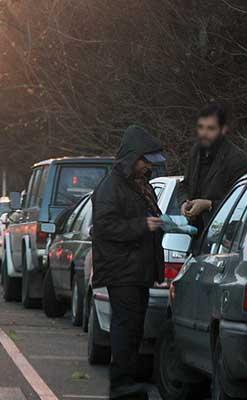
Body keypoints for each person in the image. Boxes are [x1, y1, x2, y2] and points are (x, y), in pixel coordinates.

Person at [92, 125, 166, 400]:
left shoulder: (138, 186)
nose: (148, 167)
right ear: (132, 158)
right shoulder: (111, 188)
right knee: (126, 327)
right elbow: (105, 227)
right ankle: (122, 385)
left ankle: (126, 383)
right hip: (121, 270)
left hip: (136, 270)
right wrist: (142, 225)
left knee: (132, 328)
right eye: (145, 161)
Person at [181, 103, 247, 234]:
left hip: (223, 236)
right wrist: (184, 202)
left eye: (210, 128)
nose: (204, 133)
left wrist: (209, 205)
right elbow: (185, 185)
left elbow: (242, 205)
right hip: (195, 234)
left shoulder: (239, 161)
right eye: (201, 127)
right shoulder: (196, 153)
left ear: (223, 129)